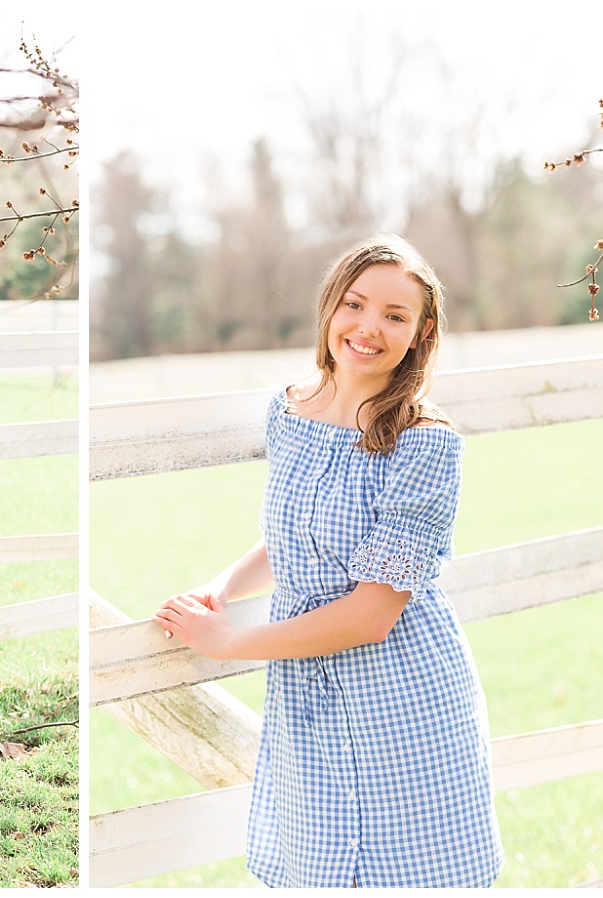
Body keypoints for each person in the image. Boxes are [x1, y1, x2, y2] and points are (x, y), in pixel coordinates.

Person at [153, 236, 504, 887]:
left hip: (399, 689)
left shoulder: (425, 443)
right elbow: (298, 539)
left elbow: (373, 613)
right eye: (356, 304)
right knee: (319, 869)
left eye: (395, 315)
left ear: (421, 333)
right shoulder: (290, 410)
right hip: (308, 690)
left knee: (409, 874)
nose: (369, 327)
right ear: (330, 309)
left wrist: (229, 644)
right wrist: (222, 586)